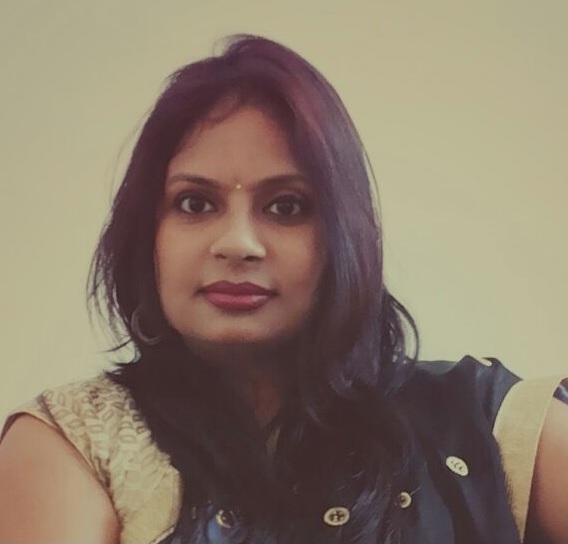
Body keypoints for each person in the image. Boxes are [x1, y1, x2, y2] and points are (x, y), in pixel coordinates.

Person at [0, 35, 566, 544]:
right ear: (146, 233)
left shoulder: (486, 423)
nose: (238, 243)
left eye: (286, 206)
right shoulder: (77, 443)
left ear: (343, 236)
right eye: (195, 203)